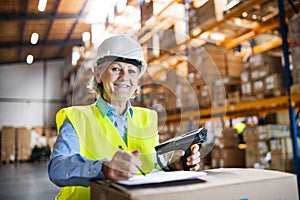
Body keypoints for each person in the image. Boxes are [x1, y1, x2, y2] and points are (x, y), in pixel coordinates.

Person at [48, 34, 201, 200]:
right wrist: (102, 168)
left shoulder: (148, 118)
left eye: (131, 71)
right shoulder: (77, 117)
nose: (124, 77)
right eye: (116, 69)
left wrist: (174, 165)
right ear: (98, 75)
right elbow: (57, 168)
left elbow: (151, 166)